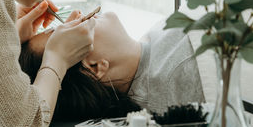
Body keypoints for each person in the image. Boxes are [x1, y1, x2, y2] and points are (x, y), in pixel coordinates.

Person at [20, 11, 205, 119]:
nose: (76, 15)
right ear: (94, 68)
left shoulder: (150, 56)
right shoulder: (182, 71)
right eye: (67, 33)